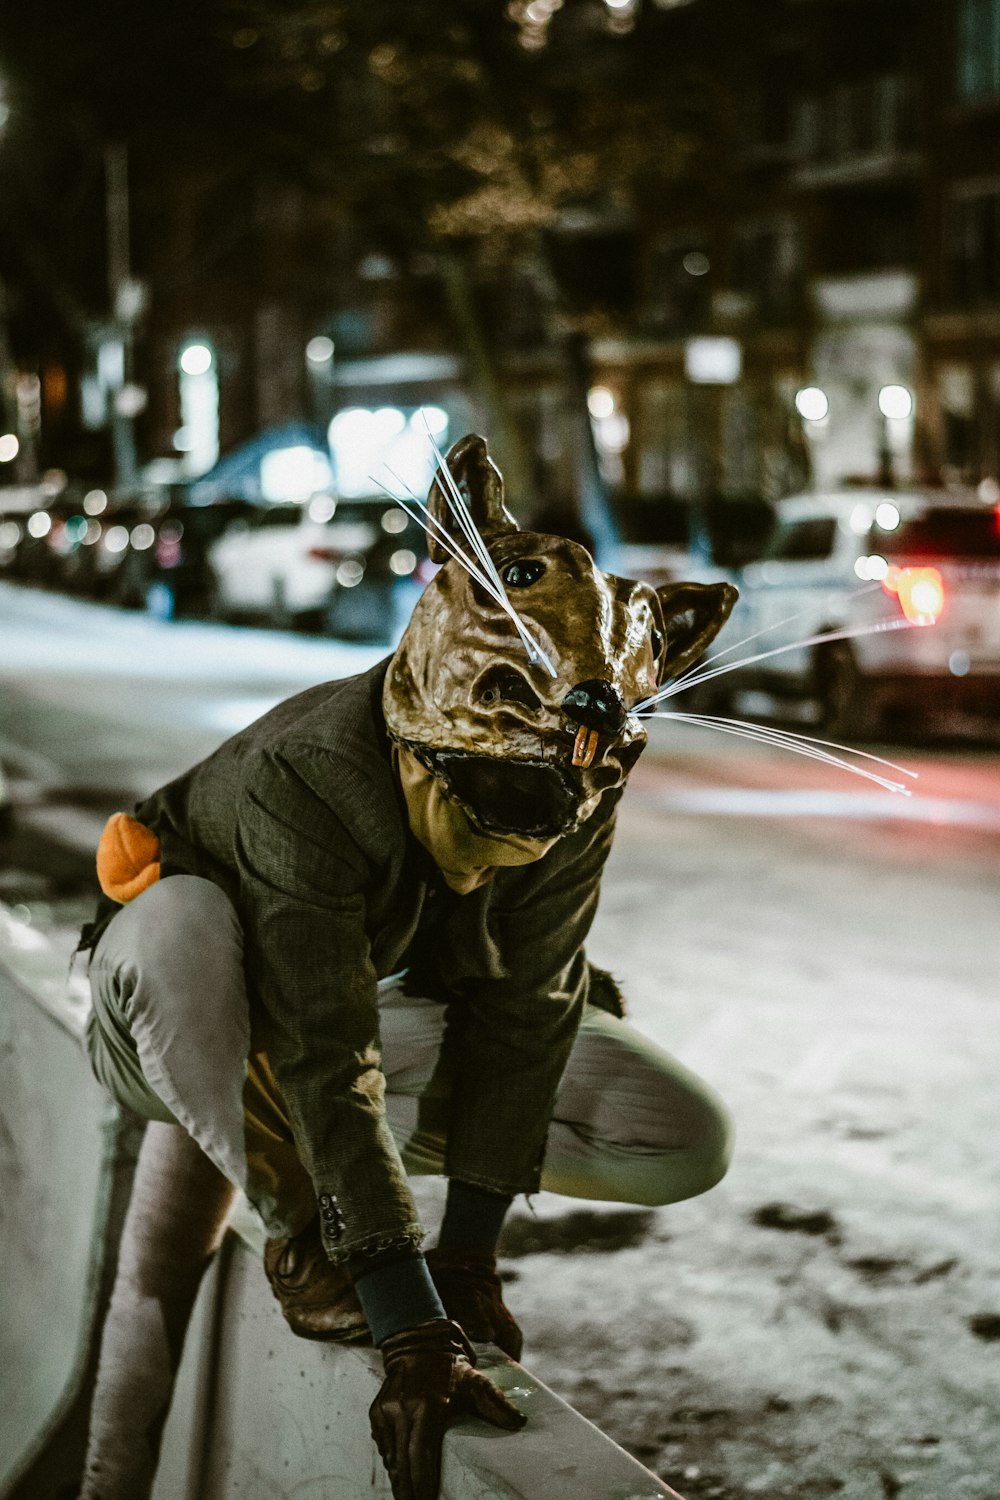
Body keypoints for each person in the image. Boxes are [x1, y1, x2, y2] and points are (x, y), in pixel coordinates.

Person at [76, 434, 737, 1500]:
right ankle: (306, 1240)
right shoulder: (308, 770)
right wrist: (402, 1314)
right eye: (466, 821)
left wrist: (466, 1261)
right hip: (173, 1021)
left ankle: (320, 1188)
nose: (482, 867)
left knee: (680, 1137)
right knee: (184, 928)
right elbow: (322, 1048)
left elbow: (527, 1009)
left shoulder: (579, 779)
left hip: (347, 1030)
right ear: (420, 744)